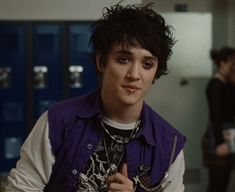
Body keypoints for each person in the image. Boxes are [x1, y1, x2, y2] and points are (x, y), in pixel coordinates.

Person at [6, 3, 186, 192]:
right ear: (101, 61)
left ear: (156, 74)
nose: (134, 74)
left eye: (147, 64)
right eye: (123, 59)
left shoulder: (170, 145)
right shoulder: (58, 121)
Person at [204, 47, 235, 192]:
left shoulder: (227, 84)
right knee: (217, 183)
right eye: (232, 63)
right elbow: (215, 115)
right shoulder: (215, 85)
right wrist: (220, 142)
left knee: (224, 182)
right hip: (219, 135)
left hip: (228, 134)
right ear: (223, 63)